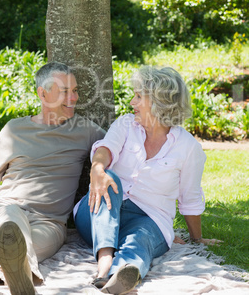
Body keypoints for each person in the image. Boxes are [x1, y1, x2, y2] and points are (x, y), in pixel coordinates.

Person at [74, 66, 220, 295]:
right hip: (97, 211)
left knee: (141, 238)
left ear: (160, 102)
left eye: (139, 96)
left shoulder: (188, 148)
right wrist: (98, 168)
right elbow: (105, 149)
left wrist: (196, 238)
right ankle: (104, 264)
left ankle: (121, 274)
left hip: (150, 219)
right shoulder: (125, 124)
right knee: (109, 177)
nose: (132, 102)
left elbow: (189, 198)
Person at [0, 61, 105, 294]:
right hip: (5, 208)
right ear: (43, 93)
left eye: (75, 90)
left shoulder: (85, 130)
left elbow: (116, 147)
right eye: (65, 91)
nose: (75, 97)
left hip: (50, 223)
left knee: (13, 251)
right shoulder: (14, 129)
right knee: (10, 224)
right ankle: (21, 280)